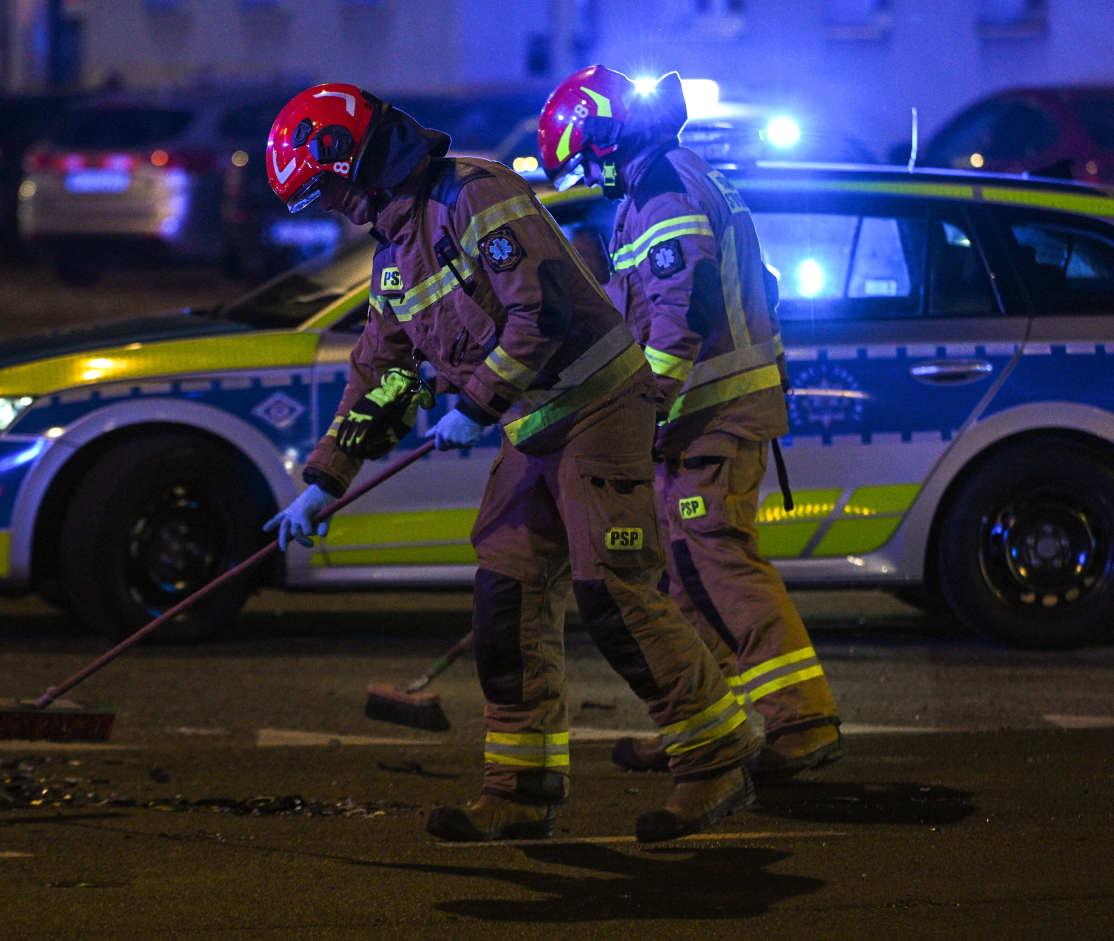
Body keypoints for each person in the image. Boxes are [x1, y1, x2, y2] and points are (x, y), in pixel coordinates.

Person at [262, 83, 760, 843]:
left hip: (597, 408)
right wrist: (322, 482)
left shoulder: (473, 192)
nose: (334, 206)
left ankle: (716, 756)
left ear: (354, 159)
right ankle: (519, 790)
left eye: (328, 188)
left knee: (612, 593)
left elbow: (540, 310)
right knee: (507, 597)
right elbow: (381, 374)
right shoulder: (396, 256)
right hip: (534, 426)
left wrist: (475, 404)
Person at [538, 66, 844, 781]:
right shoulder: (668, 179)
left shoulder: (661, 188)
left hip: (712, 413)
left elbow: (684, 310)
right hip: (697, 415)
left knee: (721, 561)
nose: (592, 176)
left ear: (609, 138)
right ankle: (710, 720)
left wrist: (643, 404)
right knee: (684, 568)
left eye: (588, 159)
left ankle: (802, 716)